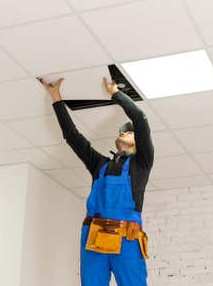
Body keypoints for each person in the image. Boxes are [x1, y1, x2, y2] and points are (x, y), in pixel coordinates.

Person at [39, 76, 154, 286]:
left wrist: (115, 94)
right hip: (94, 237)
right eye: (121, 131)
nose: (123, 132)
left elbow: (140, 117)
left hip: (127, 239)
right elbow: (72, 136)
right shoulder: (99, 165)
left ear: (138, 139)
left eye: (129, 131)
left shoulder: (142, 163)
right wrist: (56, 97)